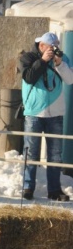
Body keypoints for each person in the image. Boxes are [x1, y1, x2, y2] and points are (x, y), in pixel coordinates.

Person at [19, 32, 73, 202]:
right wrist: (42, 60)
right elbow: (28, 78)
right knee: (31, 152)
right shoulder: (28, 57)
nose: (54, 50)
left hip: (55, 113)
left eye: (56, 47)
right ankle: (28, 187)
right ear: (41, 46)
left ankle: (54, 190)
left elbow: (70, 80)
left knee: (55, 155)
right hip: (34, 113)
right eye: (51, 47)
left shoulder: (62, 59)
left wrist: (59, 64)